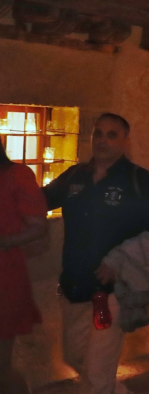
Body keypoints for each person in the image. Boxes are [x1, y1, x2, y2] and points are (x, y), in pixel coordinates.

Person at [42, 113, 149, 394]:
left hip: (111, 292)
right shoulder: (75, 176)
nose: (102, 140)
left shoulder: (140, 181)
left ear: (125, 141)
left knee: (98, 375)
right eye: (98, 133)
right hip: (74, 288)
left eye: (111, 134)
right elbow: (37, 201)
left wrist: (120, 259)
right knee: (75, 358)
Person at [1, 141, 48, 394]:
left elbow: (38, 226)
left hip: (4, 272)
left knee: (1, 367)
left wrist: (4, 241)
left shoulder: (17, 175)